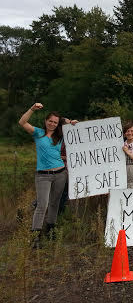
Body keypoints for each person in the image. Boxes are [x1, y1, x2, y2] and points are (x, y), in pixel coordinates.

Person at [18, 103, 77, 247]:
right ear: (46, 121)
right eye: (50, 121)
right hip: (43, 175)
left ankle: (51, 230)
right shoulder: (38, 133)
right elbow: (22, 122)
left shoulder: (61, 136)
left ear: (58, 124)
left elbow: (76, 131)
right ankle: (35, 237)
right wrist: (32, 109)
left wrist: (71, 122)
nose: (52, 124)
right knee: (42, 204)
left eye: (55, 122)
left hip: (60, 174)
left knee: (54, 203)